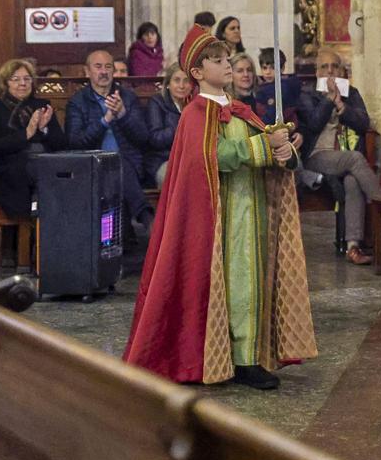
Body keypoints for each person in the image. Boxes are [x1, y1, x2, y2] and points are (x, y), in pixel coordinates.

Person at [124, 25, 316, 390]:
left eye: (227, 58)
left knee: (249, 286)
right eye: (217, 60)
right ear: (197, 72)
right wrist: (260, 148)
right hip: (217, 219)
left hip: (252, 211)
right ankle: (223, 356)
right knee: (229, 286)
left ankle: (247, 357)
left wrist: (281, 149)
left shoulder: (241, 109)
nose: (227, 64)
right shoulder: (195, 113)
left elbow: (271, 151)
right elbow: (208, 157)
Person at [297, 48, 381, 265]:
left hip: (344, 159)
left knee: (352, 181)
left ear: (342, 71)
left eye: (334, 66)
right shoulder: (307, 94)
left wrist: (340, 105)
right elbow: (312, 124)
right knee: (356, 158)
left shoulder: (352, 93)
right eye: (324, 67)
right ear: (317, 71)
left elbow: (363, 123)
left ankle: (353, 247)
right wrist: (329, 99)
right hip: (317, 158)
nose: (330, 71)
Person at [0, 58, 68, 268]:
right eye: (16, 79)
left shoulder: (42, 106)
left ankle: (47, 248)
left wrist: (44, 130)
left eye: (26, 78)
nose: (22, 83)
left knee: (53, 176)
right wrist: (28, 133)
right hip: (8, 166)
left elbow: (61, 144)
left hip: (43, 162)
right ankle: (24, 248)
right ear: (6, 83)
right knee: (28, 175)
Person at [65, 49, 153, 237]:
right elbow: (75, 142)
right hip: (91, 164)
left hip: (128, 161)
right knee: (113, 167)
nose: (103, 71)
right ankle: (145, 216)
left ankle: (123, 236)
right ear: (87, 72)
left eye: (108, 67)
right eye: (98, 67)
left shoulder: (127, 97)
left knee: (119, 165)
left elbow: (143, 137)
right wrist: (105, 120)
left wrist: (122, 115)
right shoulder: (78, 102)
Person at [144, 62, 190, 187]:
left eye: (186, 81)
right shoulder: (157, 102)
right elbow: (155, 139)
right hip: (162, 160)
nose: (181, 86)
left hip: (189, 160)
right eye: (177, 80)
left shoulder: (193, 105)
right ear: (168, 84)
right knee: (178, 180)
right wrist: (180, 125)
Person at [255, 47, 302, 126]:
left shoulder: (283, 88)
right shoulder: (262, 86)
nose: (268, 72)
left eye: (273, 68)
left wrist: (259, 127)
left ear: (282, 68)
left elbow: (272, 115)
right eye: (264, 68)